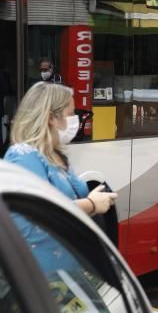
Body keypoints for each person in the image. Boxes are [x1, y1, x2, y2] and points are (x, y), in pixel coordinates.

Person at [4, 82, 116, 215]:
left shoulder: (55, 154)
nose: (76, 120)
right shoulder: (23, 155)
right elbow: (39, 210)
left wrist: (95, 199)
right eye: (71, 114)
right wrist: (91, 204)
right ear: (51, 118)